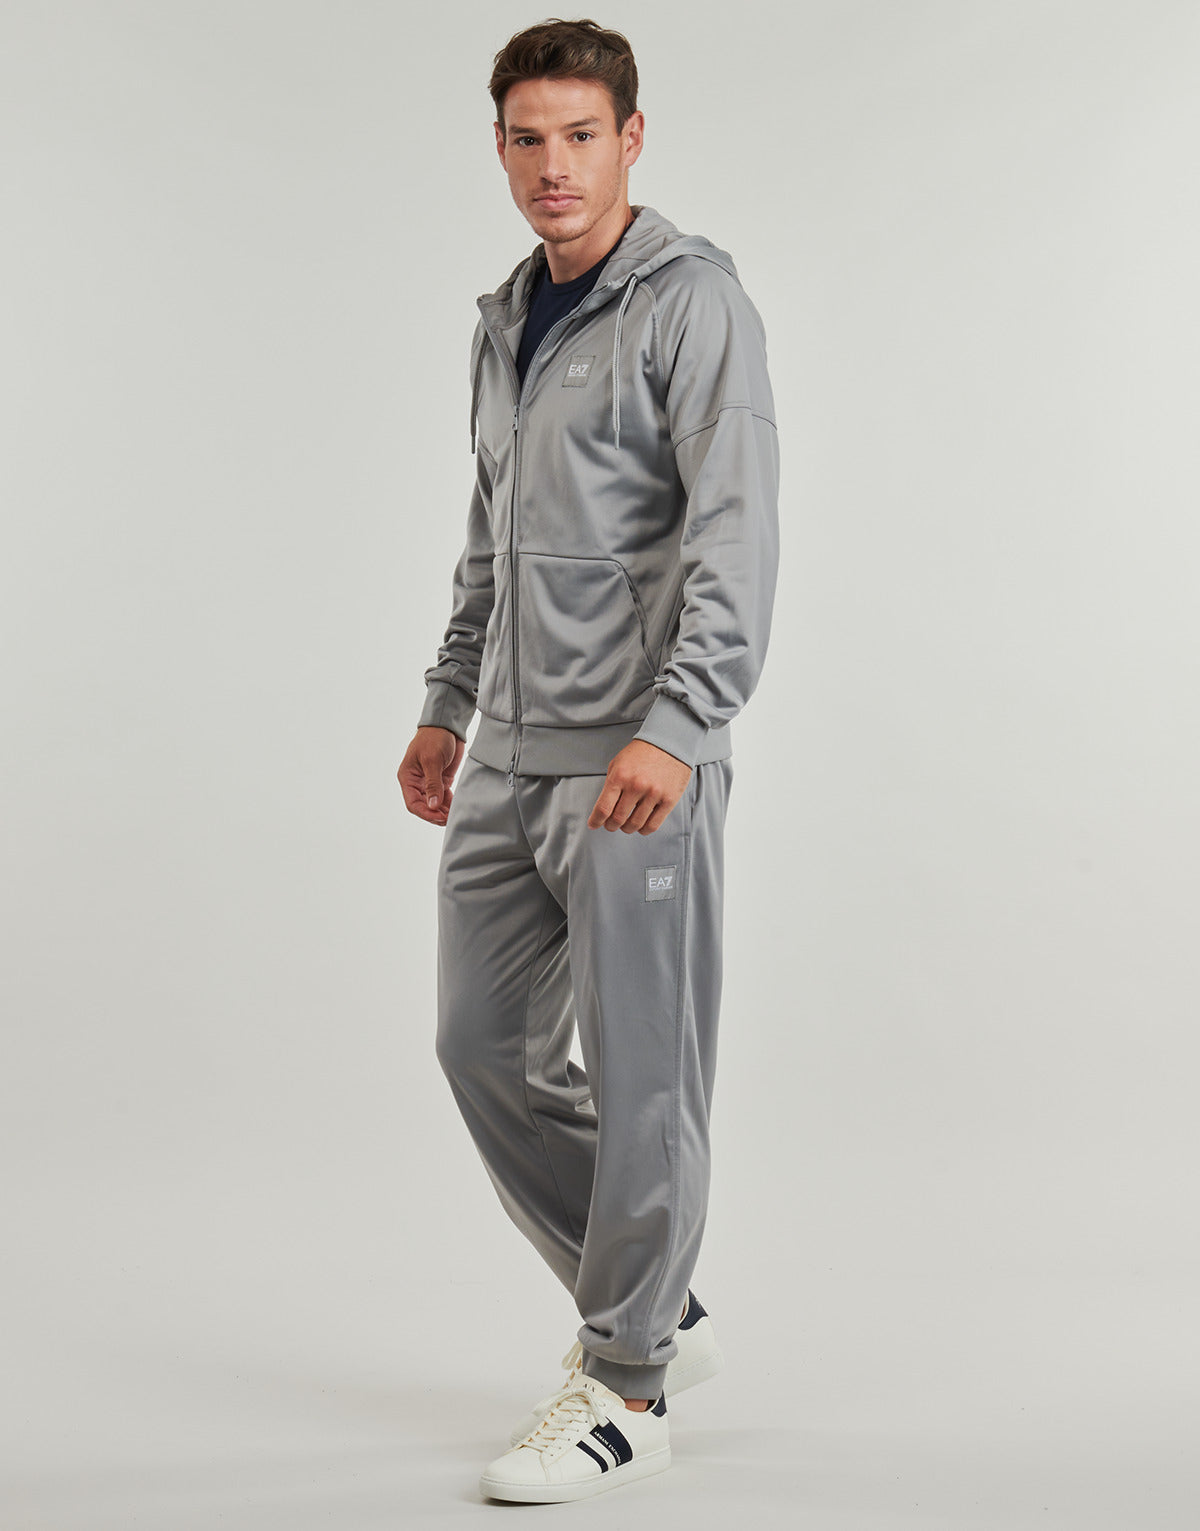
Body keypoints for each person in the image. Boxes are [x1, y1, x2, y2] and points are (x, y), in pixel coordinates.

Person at [396, 17, 780, 1505]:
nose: (552, 166)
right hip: (508, 752)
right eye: (527, 139)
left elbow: (737, 535)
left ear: (631, 138)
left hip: (634, 761)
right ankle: (654, 1303)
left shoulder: (694, 303)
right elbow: (490, 534)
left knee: (644, 1077)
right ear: (499, 147)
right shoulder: (506, 317)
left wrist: (679, 726)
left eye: (579, 136)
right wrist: (448, 702)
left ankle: (625, 1384)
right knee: (480, 1044)